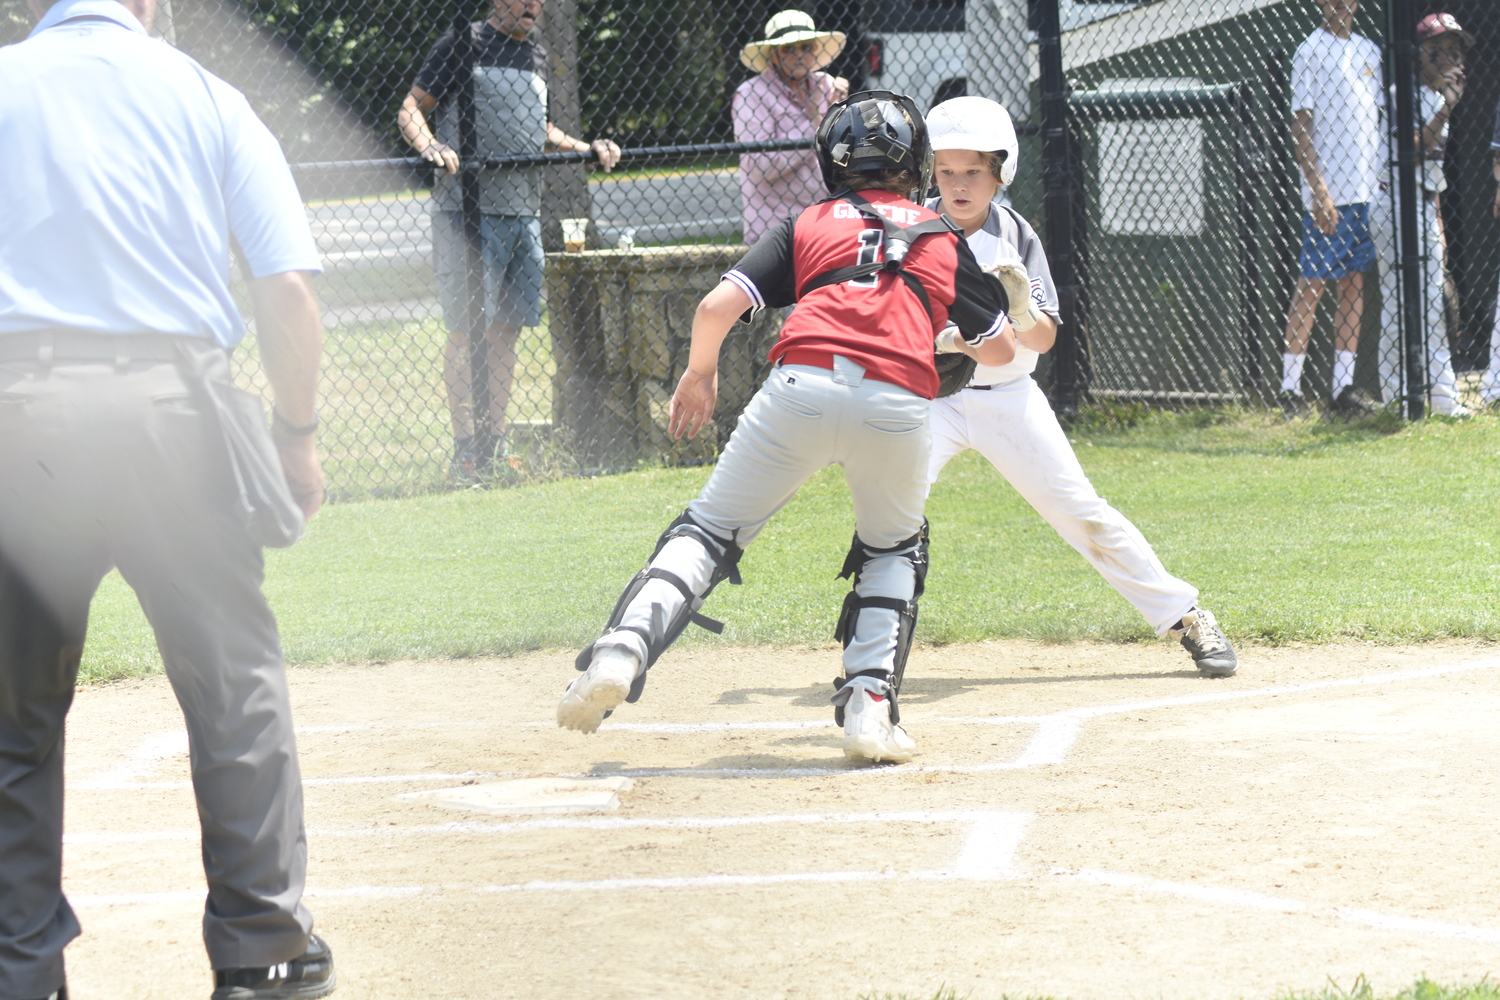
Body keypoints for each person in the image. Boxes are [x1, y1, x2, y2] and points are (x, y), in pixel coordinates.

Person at [0, 0, 335, 998]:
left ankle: (17, 969)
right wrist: (297, 434)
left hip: (20, 418)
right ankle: (264, 955)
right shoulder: (208, 95)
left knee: (11, 715)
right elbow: (285, 288)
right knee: (235, 691)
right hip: (174, 412)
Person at [557, 92, 1014, 764]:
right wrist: (949, 335)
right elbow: (1002, 353)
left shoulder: (808, 222)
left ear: (833, 161)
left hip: (797, 388)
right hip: (896, 404)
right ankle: (869, 708)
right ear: (915, 161)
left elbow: (716, 308)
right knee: (892, 547)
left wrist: (699, 374)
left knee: (709, 531)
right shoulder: (944, 235)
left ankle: (621, 649)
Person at [921, 97, 1238, 678]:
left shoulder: (1014, 235)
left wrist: (1020, 306)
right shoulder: (908, 228)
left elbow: (1041, 341)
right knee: (889, 513)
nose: (959, 184)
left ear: (1000, 172)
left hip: (1008, 398)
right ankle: (871, 651)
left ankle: (1186, 614)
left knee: (1083, 513)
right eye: (946, 170)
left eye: (974, 171)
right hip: (931, 401)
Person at [397, 0, 621, 481]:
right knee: (465, 331)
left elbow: (537, 129)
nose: (534, 6)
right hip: (467, 214)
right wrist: (431, 145)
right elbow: (411, 108)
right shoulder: (464, 42)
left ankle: (494, 445)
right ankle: (466, 453)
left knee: (506, 331)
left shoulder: (536, 55)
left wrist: (586, 149)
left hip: (524, 214)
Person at [1278, 0, 1383, 419]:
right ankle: (1289, 392)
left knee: (1354, 285)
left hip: (1366, 194)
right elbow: (1301, 125)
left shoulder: (1370, 51)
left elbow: (1374, 119)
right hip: (1329, 196)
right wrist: (1319, 190)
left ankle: (1341, 391)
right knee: (1312, 284)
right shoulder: (1310, 51)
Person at [1374, 11, 1469, 417]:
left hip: (1421, 208)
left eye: (1455, 51)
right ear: (1420, 56)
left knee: (1433, 306)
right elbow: (1411, 150)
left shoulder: (1437, 98)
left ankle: (1445, 398)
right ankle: (1396, 400)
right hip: (1392, 204)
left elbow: (1433, 175)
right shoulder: (1402, 93)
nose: (1449, 59)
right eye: (1440, 51)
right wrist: (1446, 110)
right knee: (1399, 305)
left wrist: (1440, 229)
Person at [732, 9, 849, 244]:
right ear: (772, 55)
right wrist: (816, 124)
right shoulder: (751, 94)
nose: (798, 55)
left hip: (826, 222)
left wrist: (845, 114)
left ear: (816, 50)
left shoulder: (826, 85)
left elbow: (843, 156)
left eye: (806, 46)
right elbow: (762, 166)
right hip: (776, 230)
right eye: (788, 49)